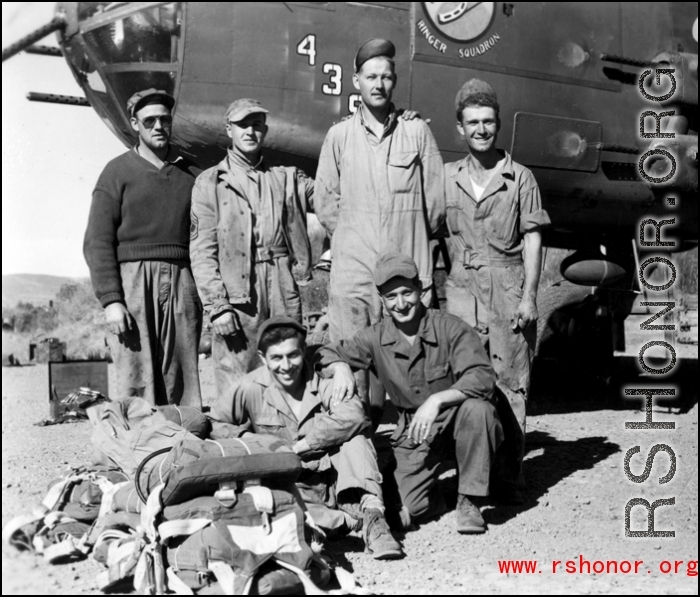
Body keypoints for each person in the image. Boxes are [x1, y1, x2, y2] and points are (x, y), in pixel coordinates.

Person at [317, 253, 503, 534]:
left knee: (479, 410)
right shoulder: (374, 337)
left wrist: (437, 399)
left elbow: (483, 376)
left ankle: (470, 500)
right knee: (406, 510)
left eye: (407, 293)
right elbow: (325, 353)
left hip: (459, 418)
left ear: (421, 290)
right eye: (391, 296)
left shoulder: (450, 327)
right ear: (382, 300)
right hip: (415, 430)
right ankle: (437, 498)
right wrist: (341, 366)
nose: (401, 304)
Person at [314, 38, 445, 417]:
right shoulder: (339, 137)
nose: (378, 84)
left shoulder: (416, 132)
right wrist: (357, 237)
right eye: (371, 76)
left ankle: (411, 465)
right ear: (356, 81)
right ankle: (358, 465)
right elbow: (325, 203)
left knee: (412, 373)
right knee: (352, 379)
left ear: (394, 82)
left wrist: (404, 240)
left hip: (406, 280)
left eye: (386, 77)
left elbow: (435, 207)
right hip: (353, 281)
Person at [209, 316, 404, 560]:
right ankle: (349, 522)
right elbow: (216, 423)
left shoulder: (323, 378)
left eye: (293, 355)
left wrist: (301, 446)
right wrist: (256, 444)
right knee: (270, 496)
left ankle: (374, 520)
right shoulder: (250, 387)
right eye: (276, 358)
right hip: (292, 484)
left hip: (335, 479)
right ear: (262, 358)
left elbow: (354, 415)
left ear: (304, 351)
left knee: (357, 438)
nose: (286, 365)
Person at [444, 79, 551, 499]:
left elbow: (534, 239)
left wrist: (529, 296)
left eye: (488, 121)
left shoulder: (520, 178)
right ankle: (465, 480)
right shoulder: (446, 176)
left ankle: (508, 477)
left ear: (498, 124)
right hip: (460, 289)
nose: (481, 130)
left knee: (510, 382)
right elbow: (432, 232)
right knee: (461, 381)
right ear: (460, 127)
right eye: (473, 122)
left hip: (507, 286)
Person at [84, 88, 202, 407]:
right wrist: (111, 300)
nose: (158, 126)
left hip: (182, 281)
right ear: (135, 124)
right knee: (134, 377)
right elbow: (97, 240)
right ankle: (138, 451)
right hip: (133, 284)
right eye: (149, 121)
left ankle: (183, 449)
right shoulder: (116, 172)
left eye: (165, 119)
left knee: (182, 376)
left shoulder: (191, 174)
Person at [190, 99, 314, 400]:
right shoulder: (210, 183)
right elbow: (202, 252)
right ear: (228, 129)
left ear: (266, 130)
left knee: (289, 364)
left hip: (282, 285)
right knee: (236, 375)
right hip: (238, 291)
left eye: (257, 125)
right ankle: (239, 441)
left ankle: (291, 440)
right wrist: (217, 306)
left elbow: (330, 191)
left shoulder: (286, 178)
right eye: (243, 125)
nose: (250, 131)